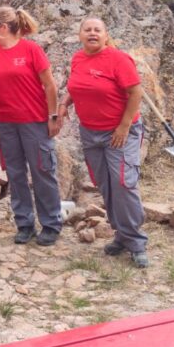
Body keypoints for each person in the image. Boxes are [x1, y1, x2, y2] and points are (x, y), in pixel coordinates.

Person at [64, 16, 149, 268]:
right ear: (80, 35)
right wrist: (64, 103)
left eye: (97, 30)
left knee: (123, 183)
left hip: (120, 132)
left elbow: (136, 92)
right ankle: (121, 235)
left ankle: (136, 241)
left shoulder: (118, 59)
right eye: (87, 29)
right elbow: (77, 86)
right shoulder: (78, 58)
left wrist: (123, 127)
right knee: (106, 185)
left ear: (105, 35)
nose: (92, 33)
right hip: (90, 132)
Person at [0, 6, 63, 246]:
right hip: (7, 124)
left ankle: (51, 224)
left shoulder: (31, 49)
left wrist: (53, 116)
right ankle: (24, 224)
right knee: (15, 174)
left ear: (4, 28)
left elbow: (49, 86)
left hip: (34, 122)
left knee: (42, 172)